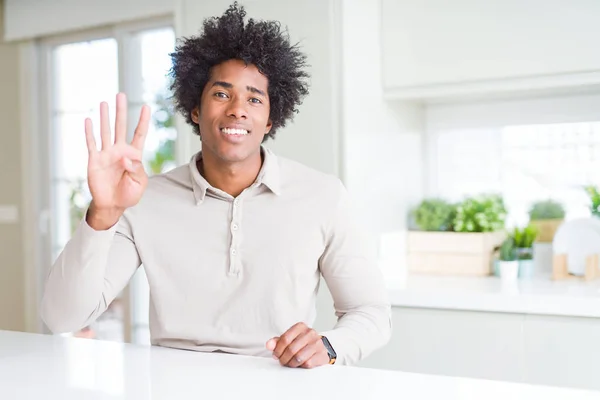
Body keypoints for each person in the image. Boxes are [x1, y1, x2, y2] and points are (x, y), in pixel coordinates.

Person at [41, 2, 391, 368]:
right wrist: (103, 214)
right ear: (195, 109)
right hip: (171, 387)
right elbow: (62, 318)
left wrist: (329, 346)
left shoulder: (322, 195)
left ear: (270, 119)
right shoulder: (144, 200)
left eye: (254, 98)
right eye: (222, 94)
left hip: (281, 384)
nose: (238, 109)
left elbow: (370, 313)